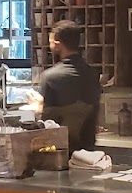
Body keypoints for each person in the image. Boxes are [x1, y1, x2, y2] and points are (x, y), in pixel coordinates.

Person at [39, 20, 100, 152]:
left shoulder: (49, 77)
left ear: (57, 44)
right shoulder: (93, 74)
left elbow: (44, 121)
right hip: (89, 149)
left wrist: (36, 105)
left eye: (50, 41)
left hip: (60, 150)